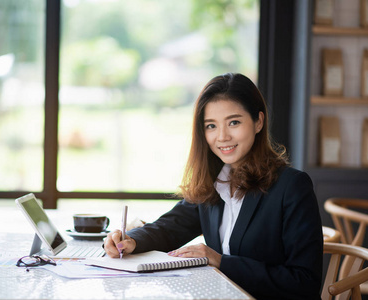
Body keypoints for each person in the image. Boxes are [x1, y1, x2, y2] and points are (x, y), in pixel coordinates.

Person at [104, 73, 323, 300]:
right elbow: (170, 227)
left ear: (258, 121)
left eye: (234, 122)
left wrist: (221, 261)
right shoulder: (215, 182)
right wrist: (131, 240)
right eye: (211, 126)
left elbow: (305, 282)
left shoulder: (292, 186)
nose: (222, 137)